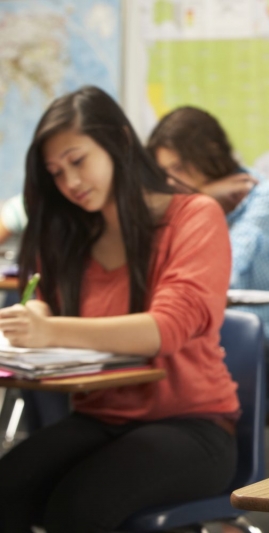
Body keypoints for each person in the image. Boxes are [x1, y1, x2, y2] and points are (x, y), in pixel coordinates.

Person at [0, 86, 239, 532]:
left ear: (120, 142)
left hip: (192, 426)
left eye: (78, 160)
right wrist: (42, 316)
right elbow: (47, 304)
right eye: (55, 172)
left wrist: (50, 330)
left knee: (77, 508)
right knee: (7, 490)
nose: (70, 182)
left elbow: (165, 329)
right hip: (100, 418)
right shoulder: (71, 231)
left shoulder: (195, 217)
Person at [148, 106, 269, 398]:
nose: (170, 182)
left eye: (179, 169)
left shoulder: (262, 195)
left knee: (183, 359)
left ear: (208, 156)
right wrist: (203, 197)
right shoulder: (177, 203)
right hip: (212, 337)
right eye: (163, 172)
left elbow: (222, 273)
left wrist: (200, 205)